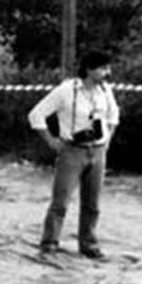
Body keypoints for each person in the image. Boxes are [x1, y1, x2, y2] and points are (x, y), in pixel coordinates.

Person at [28, 50, 121, 259]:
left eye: (108, 68)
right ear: (89, 69)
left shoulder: (105, 90)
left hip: (97, 151)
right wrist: (51, 141)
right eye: (103, 68)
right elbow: (36, 114)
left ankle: (89, 244)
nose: (108, 73)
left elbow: (114, 114)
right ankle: (50, 242)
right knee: (61, 201)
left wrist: (107, 139)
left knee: (92, 203)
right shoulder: (66, 90)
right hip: (72, 151)